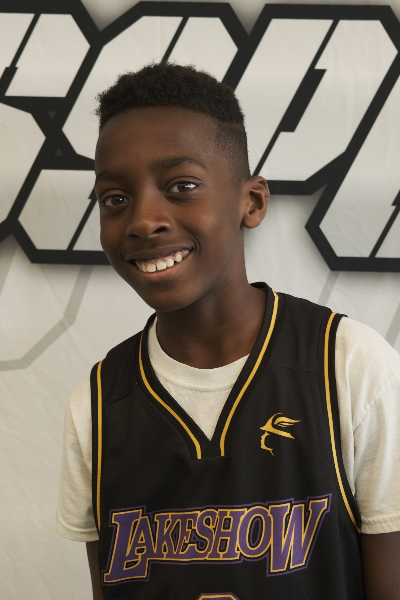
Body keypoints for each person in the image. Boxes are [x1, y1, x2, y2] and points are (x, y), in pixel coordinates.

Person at [57, 63, 400, 600]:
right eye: (114, 199)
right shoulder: (97, 404)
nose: (143, 220)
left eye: (182, 186)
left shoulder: (351, 366)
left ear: (252, 202)